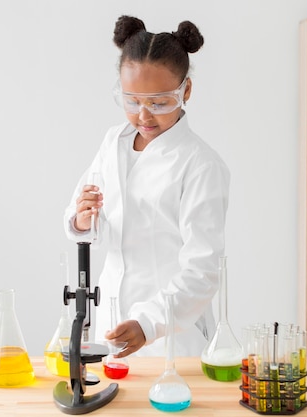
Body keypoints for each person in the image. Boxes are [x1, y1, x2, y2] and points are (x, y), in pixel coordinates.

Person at [63, 15, 230, 357]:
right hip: (111, 323)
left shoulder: (201, 165)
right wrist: (82, 220)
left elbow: (203, 270)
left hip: (171, 336)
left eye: (159, 102)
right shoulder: (114, 142)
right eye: (132, 101)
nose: (143, 115)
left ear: (185, 91)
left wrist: (148, 322)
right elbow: (86, 220)